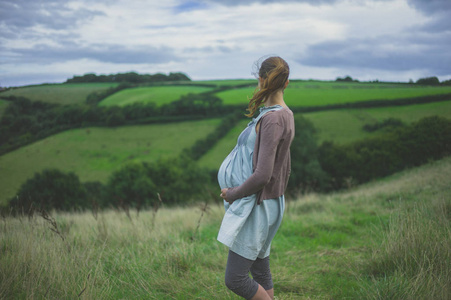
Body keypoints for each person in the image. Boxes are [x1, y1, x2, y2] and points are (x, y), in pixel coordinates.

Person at [217, 56, 295, 300]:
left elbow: (263, 174)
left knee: (236, 279)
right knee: (260, 268)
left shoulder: (272, 119)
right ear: (287, 83)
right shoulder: (284, 114)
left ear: (261, 81)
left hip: (258, 204)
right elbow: (284, 168)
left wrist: (233, 194)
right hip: (268, 202)